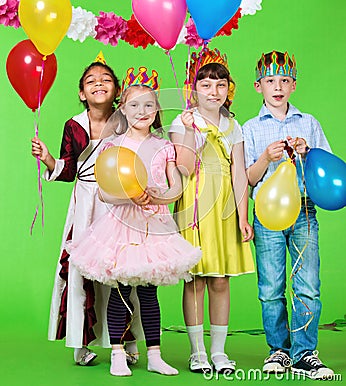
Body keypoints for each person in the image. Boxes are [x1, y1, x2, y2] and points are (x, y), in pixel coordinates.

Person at [68, 66, 202, 376]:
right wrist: (128, 196)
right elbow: (104, 192)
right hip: (121, 226)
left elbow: (176, 186)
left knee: (149, 293)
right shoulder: (113, 145)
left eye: (149, 104)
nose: (142, 111)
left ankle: (154, 354)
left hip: (154, 226)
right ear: (123, 110)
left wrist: (159, 197)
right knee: (120, 289)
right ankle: (117, 353)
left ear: (157, 110)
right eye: (134, 105)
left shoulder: (164, 146)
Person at [31, 53, 140, 366]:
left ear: (117, 89)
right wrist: (49, 158)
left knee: (122, 269)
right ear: (82, 92)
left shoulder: (125, 121)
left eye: (106, 80)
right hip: (85, 202)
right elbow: (68, 171)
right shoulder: (73, 125)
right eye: (91, 81)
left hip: (118, 201)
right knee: (80, 271)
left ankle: (126, 341)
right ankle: (80, 343)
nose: (99, 84)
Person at [242, 51, 335, 380]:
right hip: (267, 213)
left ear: (293, 86)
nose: (277, 86)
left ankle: (305, 352)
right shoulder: (250, 128)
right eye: (270, 81)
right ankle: (278, 349)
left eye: (284, 80)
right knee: (270, 286)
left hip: (305, 209)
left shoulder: (308, 123)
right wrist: (267, 157)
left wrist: (308, 153)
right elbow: (247, 178)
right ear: (258, 86)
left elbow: (327, 171)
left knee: (308, 284)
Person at [169, 48, 255, 374]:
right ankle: (197, 351)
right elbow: (185, 166)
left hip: (223, 208)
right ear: (194, 89)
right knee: (195, 281)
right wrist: (191, 130)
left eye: (220, 85)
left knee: (220, 280)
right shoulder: (182, 121)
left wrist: (242, 216)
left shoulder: (234, 125)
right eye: (205, 85)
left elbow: (239, 172)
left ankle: (219, 351)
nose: (213, 91)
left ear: (228, 90)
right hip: (194, 204)